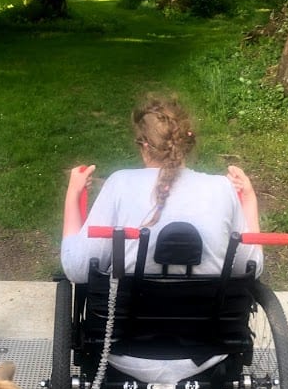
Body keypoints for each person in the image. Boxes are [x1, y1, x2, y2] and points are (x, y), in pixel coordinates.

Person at [61, 94, 263, 283]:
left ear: (145, 145)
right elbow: (248, 268)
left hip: (128, 317)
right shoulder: (223, 188)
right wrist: (249, 199)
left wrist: (73, 194)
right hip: (208, 317)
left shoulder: (120, 183)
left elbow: (78, 269)